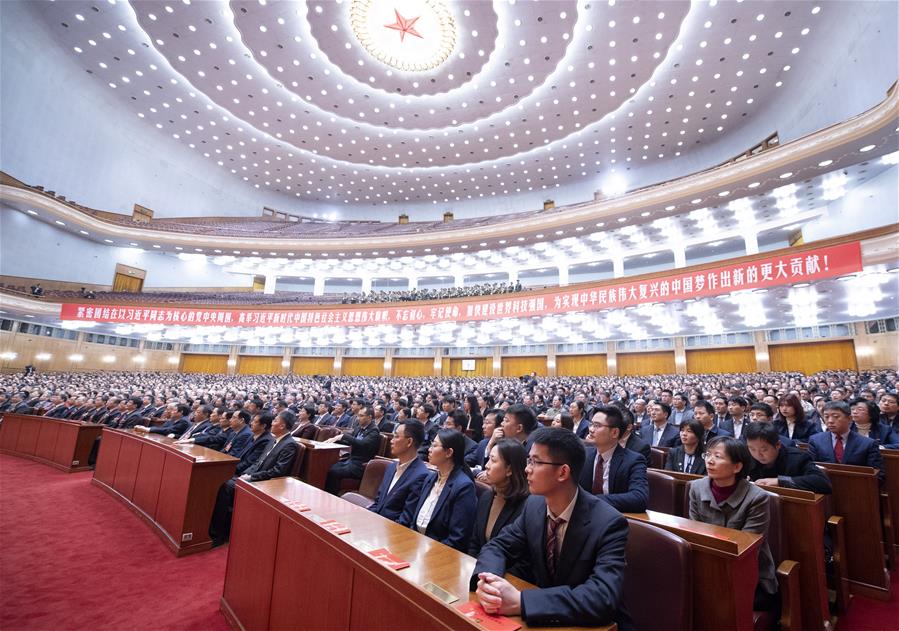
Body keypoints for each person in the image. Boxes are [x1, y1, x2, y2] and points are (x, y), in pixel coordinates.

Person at [471, 428, 631, 629]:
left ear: (563, 472)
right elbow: (498, 546)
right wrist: (489, 581)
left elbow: (601, 597)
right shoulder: (533, 505)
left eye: (535, 462)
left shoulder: (609, 523)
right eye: (528, 461)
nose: (527, 469)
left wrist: (522, 601)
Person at [689, 436, 778, 614]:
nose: (710, 461)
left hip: (748, 573)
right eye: (708, 455)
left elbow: (747, 548)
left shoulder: (757, 497)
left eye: (718, 456)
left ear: (737, 466)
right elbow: (694, 533)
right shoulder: (696, 487)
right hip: (706, 568)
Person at [209, 411, 298, 546]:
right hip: (252, 476)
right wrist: (245, 473)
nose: (272, 424)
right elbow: (258, 463)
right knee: (218, 480)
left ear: (282, 426)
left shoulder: (290, 444)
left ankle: (219, 534)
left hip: (264, 482)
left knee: (226, 486)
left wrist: (251, 477)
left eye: (275, 421)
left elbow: (278, 471)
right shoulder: (274, 440)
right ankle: (214, 526)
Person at [399, 429, 476, 551]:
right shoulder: (430, 478)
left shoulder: (464, 487)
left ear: (449, 452)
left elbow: (457, 538)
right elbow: (414, 519)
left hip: (439, 553)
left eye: (434, 445)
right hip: (416, 544)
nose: (429, 449)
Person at [469, 439, 530, 575]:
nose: (487, 466)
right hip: (480, 572)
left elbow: (524, 560)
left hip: (506, 580)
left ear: (509, 469)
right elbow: (474, 542)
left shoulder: (527, 506)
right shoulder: (486, 497)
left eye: (493, 460)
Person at [579, 406, 648, 513]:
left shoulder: (634, 460)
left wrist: (592, 501)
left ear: (615, 432)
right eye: (591, 424)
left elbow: (639, 498)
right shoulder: (584, 454)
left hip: (613, 517)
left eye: (597, 426)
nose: (591, 430)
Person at [368, 420, 430, 521]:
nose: (391, 441)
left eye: (396, 436)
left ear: (409, 442)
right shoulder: (391, 467)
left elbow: (405, 519)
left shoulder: (421, 475)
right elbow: (378, 503)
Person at [745, 423, 832, 494]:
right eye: (752, 449)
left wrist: (780, 481)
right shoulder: (746, 456)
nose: (758, 454)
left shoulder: (797, 458)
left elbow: (823, 483)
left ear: (778, 445)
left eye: (764, 450)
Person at [808, 401, 884, 481]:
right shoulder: (815, 440)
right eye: (826, 417)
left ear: (849, 418)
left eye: (836, 417)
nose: (830, 421)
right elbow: (810, 469)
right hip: (825, 487)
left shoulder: (868, 443)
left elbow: (878, 475)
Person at [323, 404, 381, 494]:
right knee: (328, 467)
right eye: (358, 415)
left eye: (361, 416)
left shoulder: (374, 431)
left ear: (369, 417)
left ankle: (332, 495)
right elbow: (350, 442)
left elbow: (362, 444)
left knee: (334, 471)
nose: (358, 418)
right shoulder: (358, 428)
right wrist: (335, 440)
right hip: (351, 460)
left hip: (361, 464)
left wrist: (344, 436)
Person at [234, 412, 275, 476]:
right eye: (252, 420)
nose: (251, 423)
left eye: (255, 422)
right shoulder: (252, 435)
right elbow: (241, 454)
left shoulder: (266, 441)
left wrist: (232, 469)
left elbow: (249, 462)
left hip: (244, 473)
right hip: (237, 467)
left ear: (263, 426)